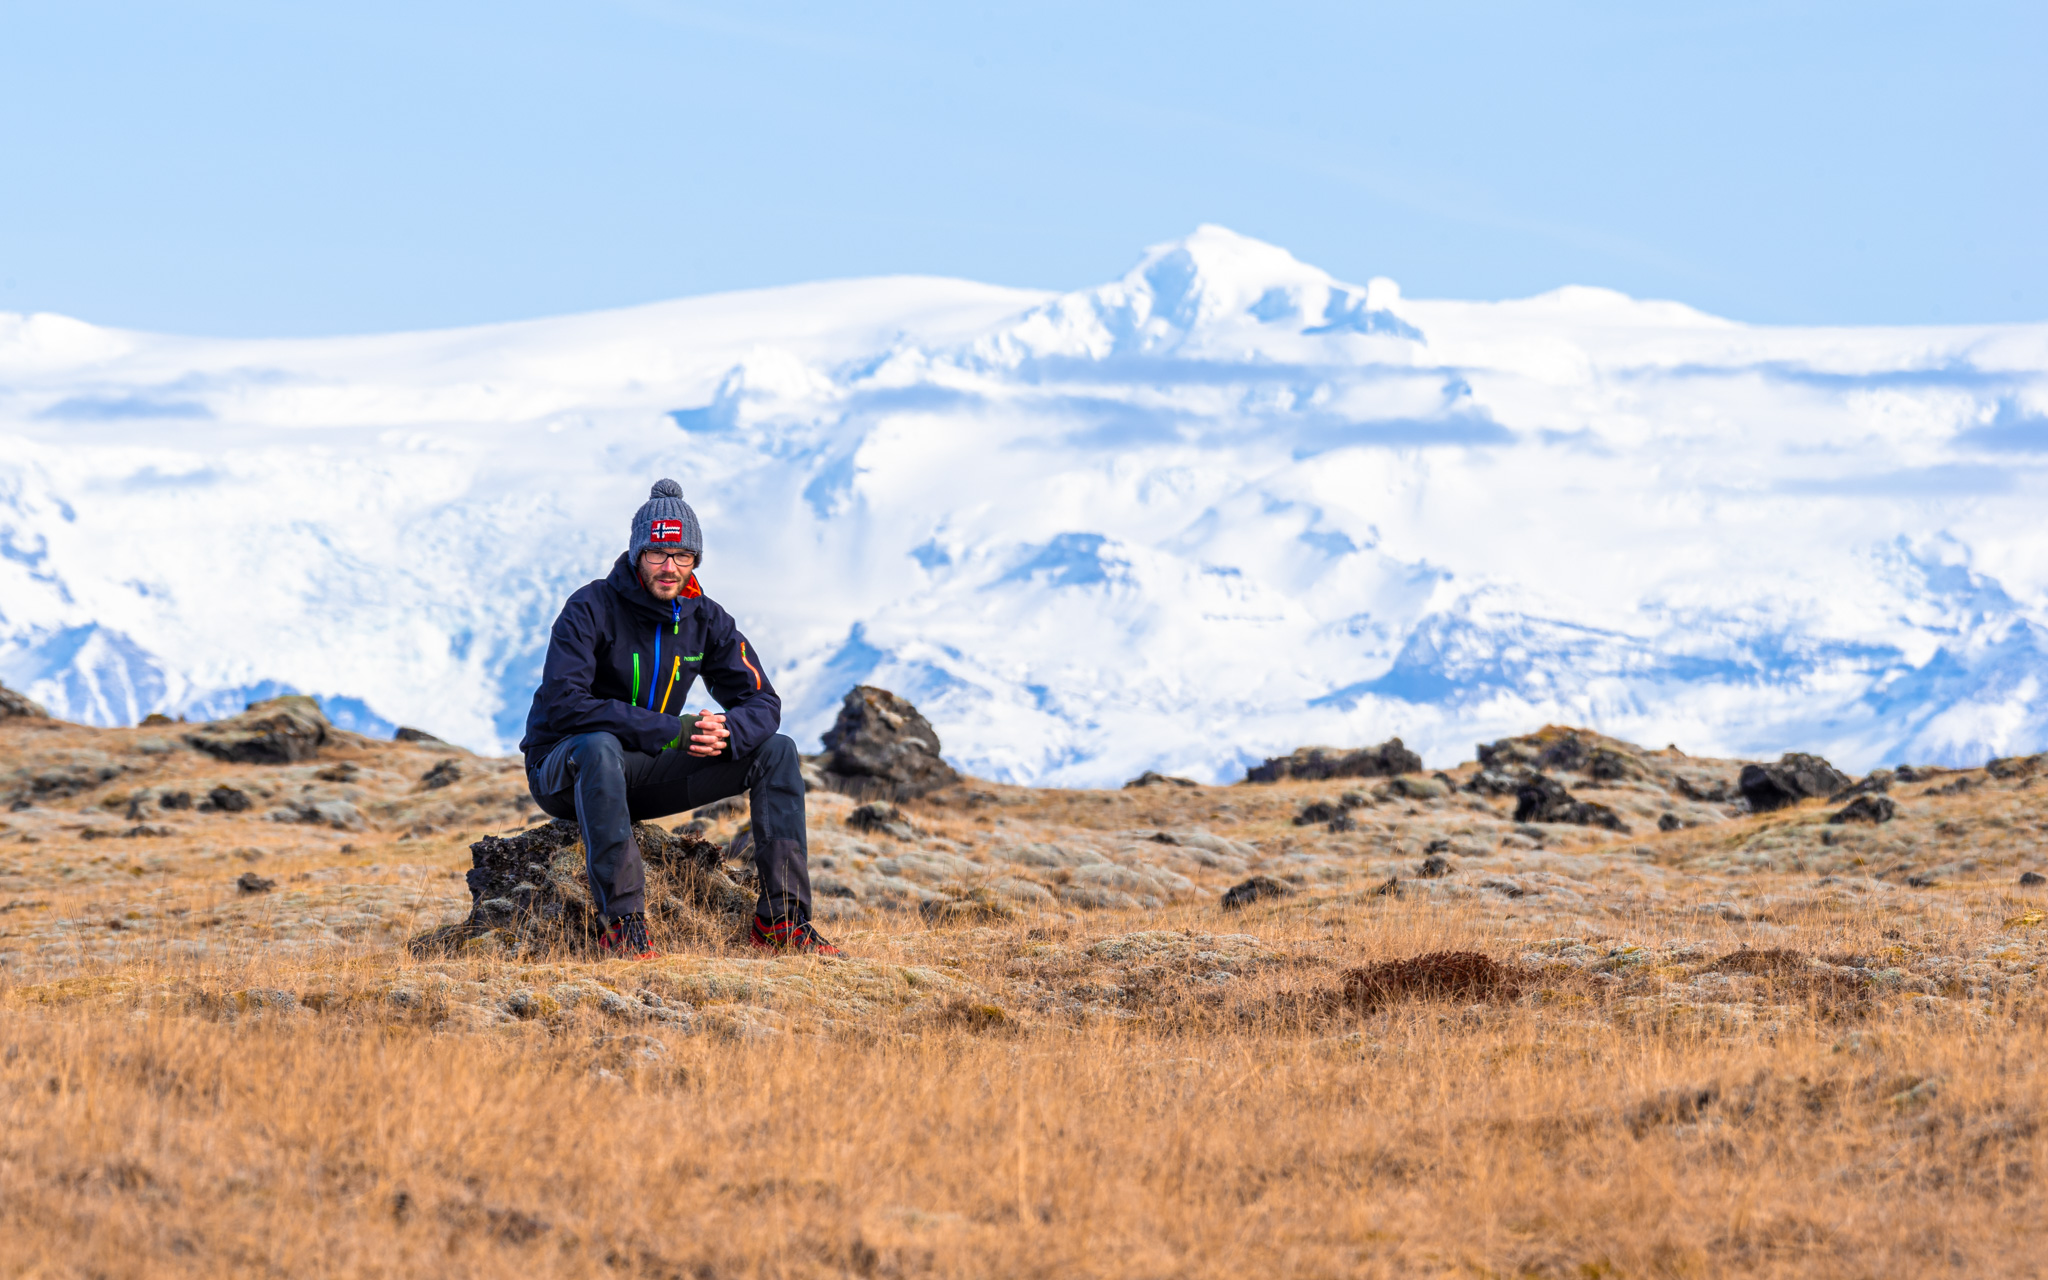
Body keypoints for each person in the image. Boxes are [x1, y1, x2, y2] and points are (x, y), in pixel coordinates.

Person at [519, 479, 837, 959]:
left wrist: (729, 733)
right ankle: (622, 925)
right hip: (564, 773)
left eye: (683, 556)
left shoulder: (705, 619)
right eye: (658, 554)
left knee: (777, 751)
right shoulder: (589, 608)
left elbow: (763, 702)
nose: (670, 567)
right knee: (599, 746)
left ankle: (782, 921)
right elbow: (567, 705)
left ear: (695, 561)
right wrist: (674, 731)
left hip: (641, 774)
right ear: (636, 554)